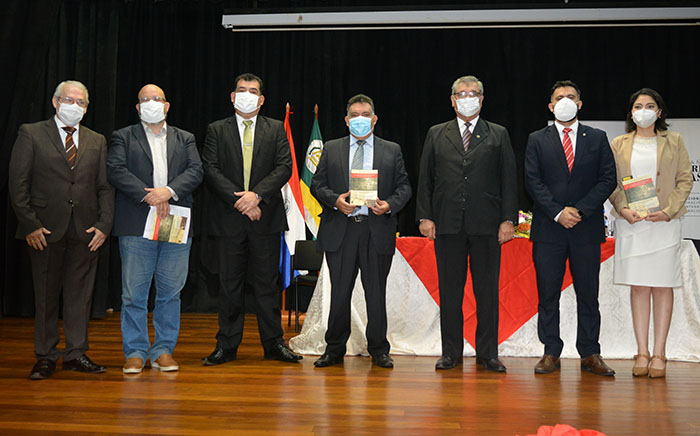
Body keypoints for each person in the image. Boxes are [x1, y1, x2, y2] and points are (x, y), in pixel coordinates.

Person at [8, 80, 114, 380]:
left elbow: (104, 187)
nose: (75, 106)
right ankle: (45, 356)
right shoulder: (31, 133)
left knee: (81, 296)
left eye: (81, 102)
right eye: (70, 100)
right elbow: (18, 185)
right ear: (56, 102)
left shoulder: (97, 140)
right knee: (46, 296)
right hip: (44, 230)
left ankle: (76, 353)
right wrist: (31, 224)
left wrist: (104, 225)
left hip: (86, 231)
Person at [416, 76, 518, 372]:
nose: (467, 97)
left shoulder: (498, 134)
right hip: (447, 224)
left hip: (487, 225)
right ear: (452, 99)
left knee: (487, 292)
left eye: (473, 93)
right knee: (450, 292)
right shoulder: (436, 133)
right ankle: (451, 353)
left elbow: (509, 180)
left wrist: (508, 219)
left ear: (482, 99)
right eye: (462, 93)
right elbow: (426, 178)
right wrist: (425, 215)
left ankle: (488, 353)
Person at [201, 73, 302, 364]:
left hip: (265, 219)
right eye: (241, 90)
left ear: (261, 100)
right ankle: (227, 345)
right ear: (232, 97)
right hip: (229, 220)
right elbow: (211, 169)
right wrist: (241, 201)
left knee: (267, 286)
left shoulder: (275, 130)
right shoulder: (216, 130)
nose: (246, 95)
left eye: (253, 91)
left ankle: (273, 344)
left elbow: (284, 167)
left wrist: (256, 196)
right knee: (229, 285)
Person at [107, 84, 203, 374]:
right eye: (145, 100)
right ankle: (135, 351)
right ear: (138, 107)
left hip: (175, 219)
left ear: (167, 105)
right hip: (137, 221)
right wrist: (149, 194)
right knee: (133, 293)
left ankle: (163, 350)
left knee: (170, 292)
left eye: (157, 99)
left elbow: (196, 170)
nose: (151, 103)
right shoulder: (123, 136)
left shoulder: (184, 137)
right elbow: (116, 169)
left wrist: (169, 191)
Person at [311, 94, 412, 368]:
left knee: (375, 294)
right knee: (340, 293)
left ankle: (379, 349)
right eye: (354, 115)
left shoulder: (392, 150)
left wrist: (389, 205)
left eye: (365, 114)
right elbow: (317, 185)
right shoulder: (331, 149)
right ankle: (334, 349)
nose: (359, 119)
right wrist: (335, 201)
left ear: (374, 119)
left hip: (375, 230)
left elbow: (404, 188)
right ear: (346, 120)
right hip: (341, 230)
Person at [524, 80, 617, 376]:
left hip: (586, 228)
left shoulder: (598, 137)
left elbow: (607, 179)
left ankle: (590, 352)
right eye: (559, 97)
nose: (565, 101)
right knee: (547, 292)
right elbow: (532, 181)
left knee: (588, 293)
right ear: (551, 106)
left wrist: (580, 210)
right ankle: (551, 350)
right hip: (549, 229)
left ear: (579, 104)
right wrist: (556, 212)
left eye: (571, 97)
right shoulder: (537, 139)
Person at [608, 88, 692, 378]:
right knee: (639, 286)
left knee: (662, 285)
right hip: (633, 224)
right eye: (638, 105)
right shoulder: (619, 143)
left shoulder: (675, 141)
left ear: (660, 112)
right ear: (631, 112)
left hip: (664, 224)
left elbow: (684, 180)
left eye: (650, 105)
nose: (643, 110)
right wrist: (623, 209)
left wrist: (669, 210)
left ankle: (660, 353)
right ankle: (642, 352)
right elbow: (612, 184)